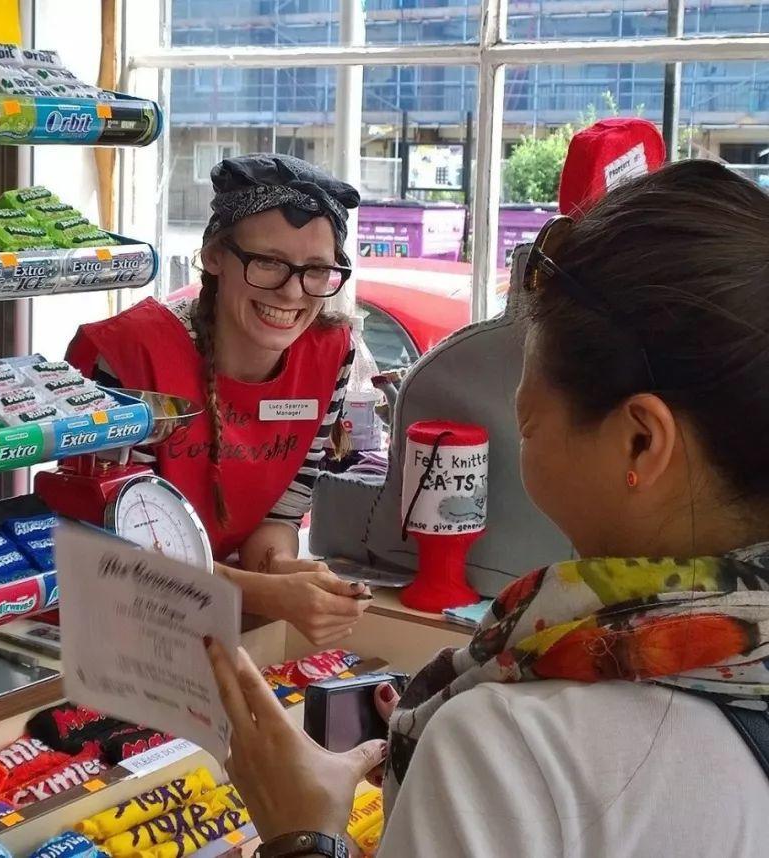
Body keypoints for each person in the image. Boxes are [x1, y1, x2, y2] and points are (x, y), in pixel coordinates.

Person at [207, 159, 769, 857]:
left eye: (532, 369)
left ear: (639, 439)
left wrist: (304, 831)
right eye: (267, 263)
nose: (518, 396)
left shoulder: (513, 748)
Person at [68, 154, 372, 646]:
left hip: (210, 623)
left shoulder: (330, 355)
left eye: (316, 269)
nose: (293, 292)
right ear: (213, 256)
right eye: (268, 262)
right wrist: (264, 594)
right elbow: (124, 547)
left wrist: (283, 572)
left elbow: (280, 514)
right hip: (112, 627)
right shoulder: (132, 357)